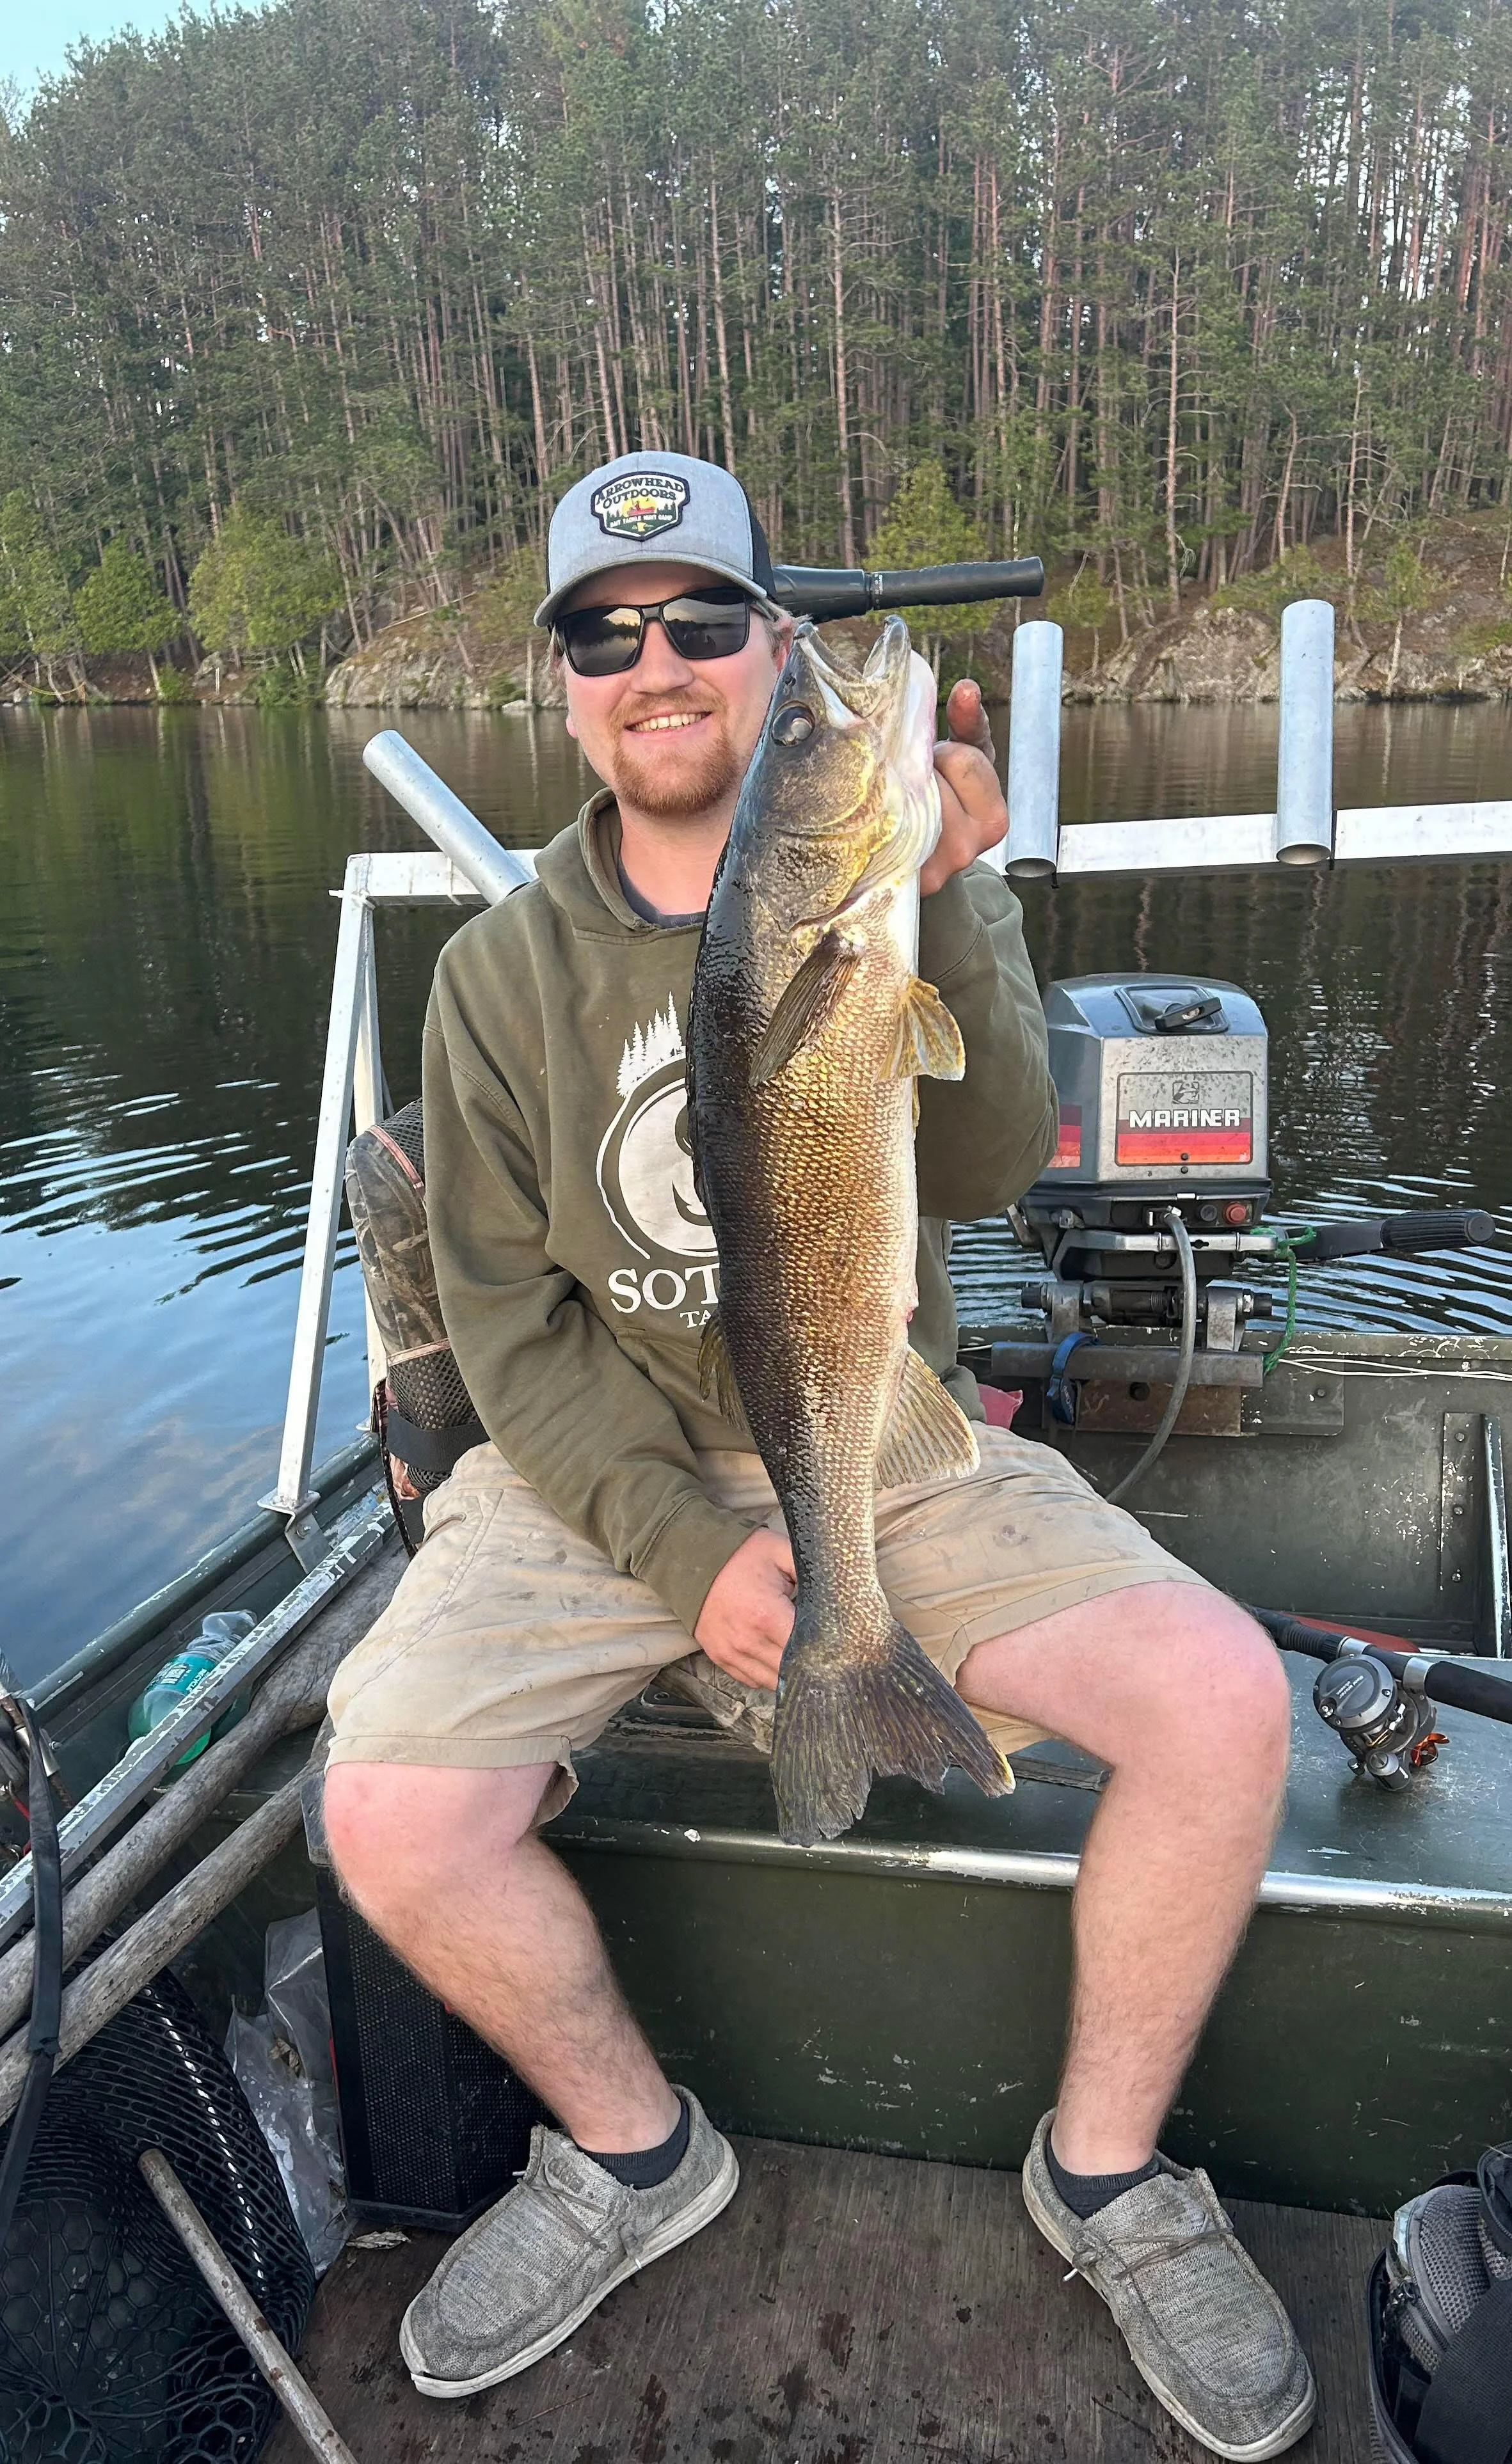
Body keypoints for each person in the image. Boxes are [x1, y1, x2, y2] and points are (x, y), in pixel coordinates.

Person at [322, 450, 1312, 2459]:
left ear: (774, 655)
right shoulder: (495, 979)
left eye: (703, 620)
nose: (657, 664)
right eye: (608, 633)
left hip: (874, 1420)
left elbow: (985, 1155)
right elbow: (512, 1336)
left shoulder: (876, 883)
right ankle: (633, 2153)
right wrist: (689, 1554)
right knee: (386, 1817)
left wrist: (962, 897)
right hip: (600, 1467)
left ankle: (1106, 2175)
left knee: (1225, 1706)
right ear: (566, 683)